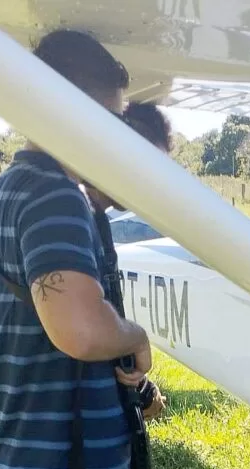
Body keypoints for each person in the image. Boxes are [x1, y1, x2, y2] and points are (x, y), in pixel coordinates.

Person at [0, 29, 156, 469]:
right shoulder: (56, 198)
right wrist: (135, 337)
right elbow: (82, 332)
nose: (116, 135)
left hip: (23, 459)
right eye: (109, 119)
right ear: (67, 111)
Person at [81, 101, 174, 418]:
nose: (152, 182)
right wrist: (138, 339)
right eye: (146, 165)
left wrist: (141, 388)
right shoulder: (76, 216)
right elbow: (81, 328)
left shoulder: (95, 217)